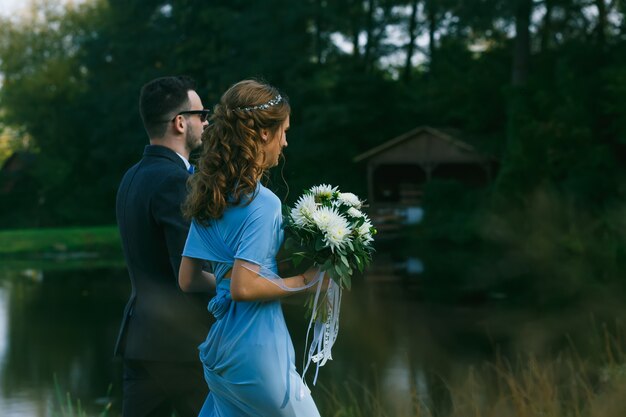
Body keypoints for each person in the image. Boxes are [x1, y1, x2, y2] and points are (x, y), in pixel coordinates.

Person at [179, 79, 326, 416]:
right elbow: (245, 288)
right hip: (257, 349)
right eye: (283, 131)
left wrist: (229, 284)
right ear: (263, 134)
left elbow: (188, 279)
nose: (285, 142)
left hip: (221, 351)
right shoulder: (263, 203)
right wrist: (307, 280)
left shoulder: (209, 195)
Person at [115, 75, 215, 417]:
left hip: (140, 341)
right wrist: (245, 284)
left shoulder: (132, 176)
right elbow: (189, 274)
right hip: (179, 347)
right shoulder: (175, 181)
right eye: (201, 114)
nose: (206, 121)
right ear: (179, 122)